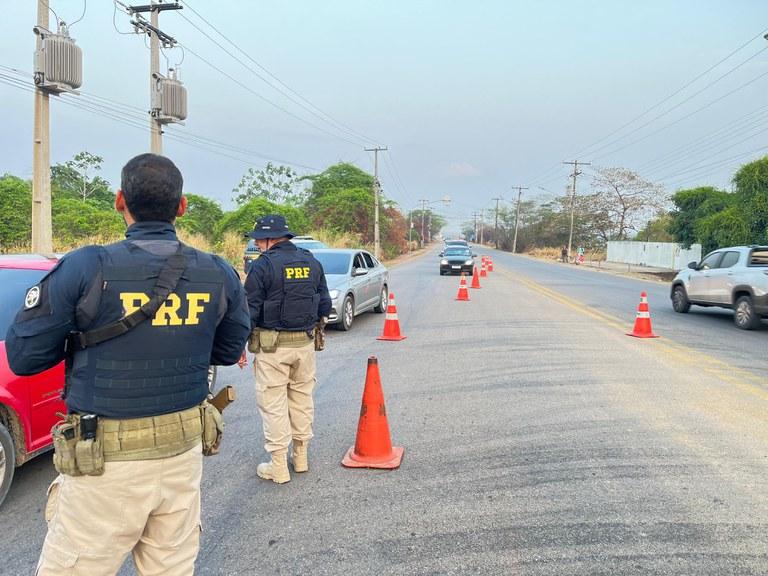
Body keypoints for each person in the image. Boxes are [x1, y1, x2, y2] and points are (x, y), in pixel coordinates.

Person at [5, 153, 251, 575]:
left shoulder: (87, 266)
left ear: (119, 201)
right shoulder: (218, 272)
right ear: (182, 206)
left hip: (104, 466)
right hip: (181, 458)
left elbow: (24, 356)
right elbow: (228, 352)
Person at [244, 214, 331, 484]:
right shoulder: (311, 261)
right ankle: (301, 457)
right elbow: (324, 305)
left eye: (258, 240)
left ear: (271, 239)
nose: (257, 245)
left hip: (272, 350)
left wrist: (239, 344)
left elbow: (249, 311)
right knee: (302, 400)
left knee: (274, 405)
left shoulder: (262, 267)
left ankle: (279, 467)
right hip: (304, 346)